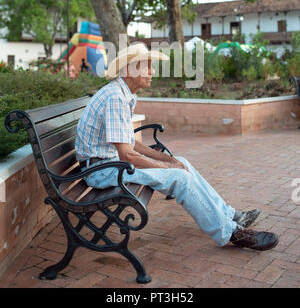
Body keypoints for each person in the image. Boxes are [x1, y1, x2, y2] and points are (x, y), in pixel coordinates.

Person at [75, 43, 279, 251]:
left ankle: (230, 215)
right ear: (128, 70)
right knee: (179, 177)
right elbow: (127, 154)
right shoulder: (115, 98)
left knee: (181, 162)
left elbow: (130, 142)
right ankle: (232, 233)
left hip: (111, 164)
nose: (152, 71)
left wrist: (169, 160)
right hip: (101, 171)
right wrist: (166, 168)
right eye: (146, 66)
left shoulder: (123, 94)